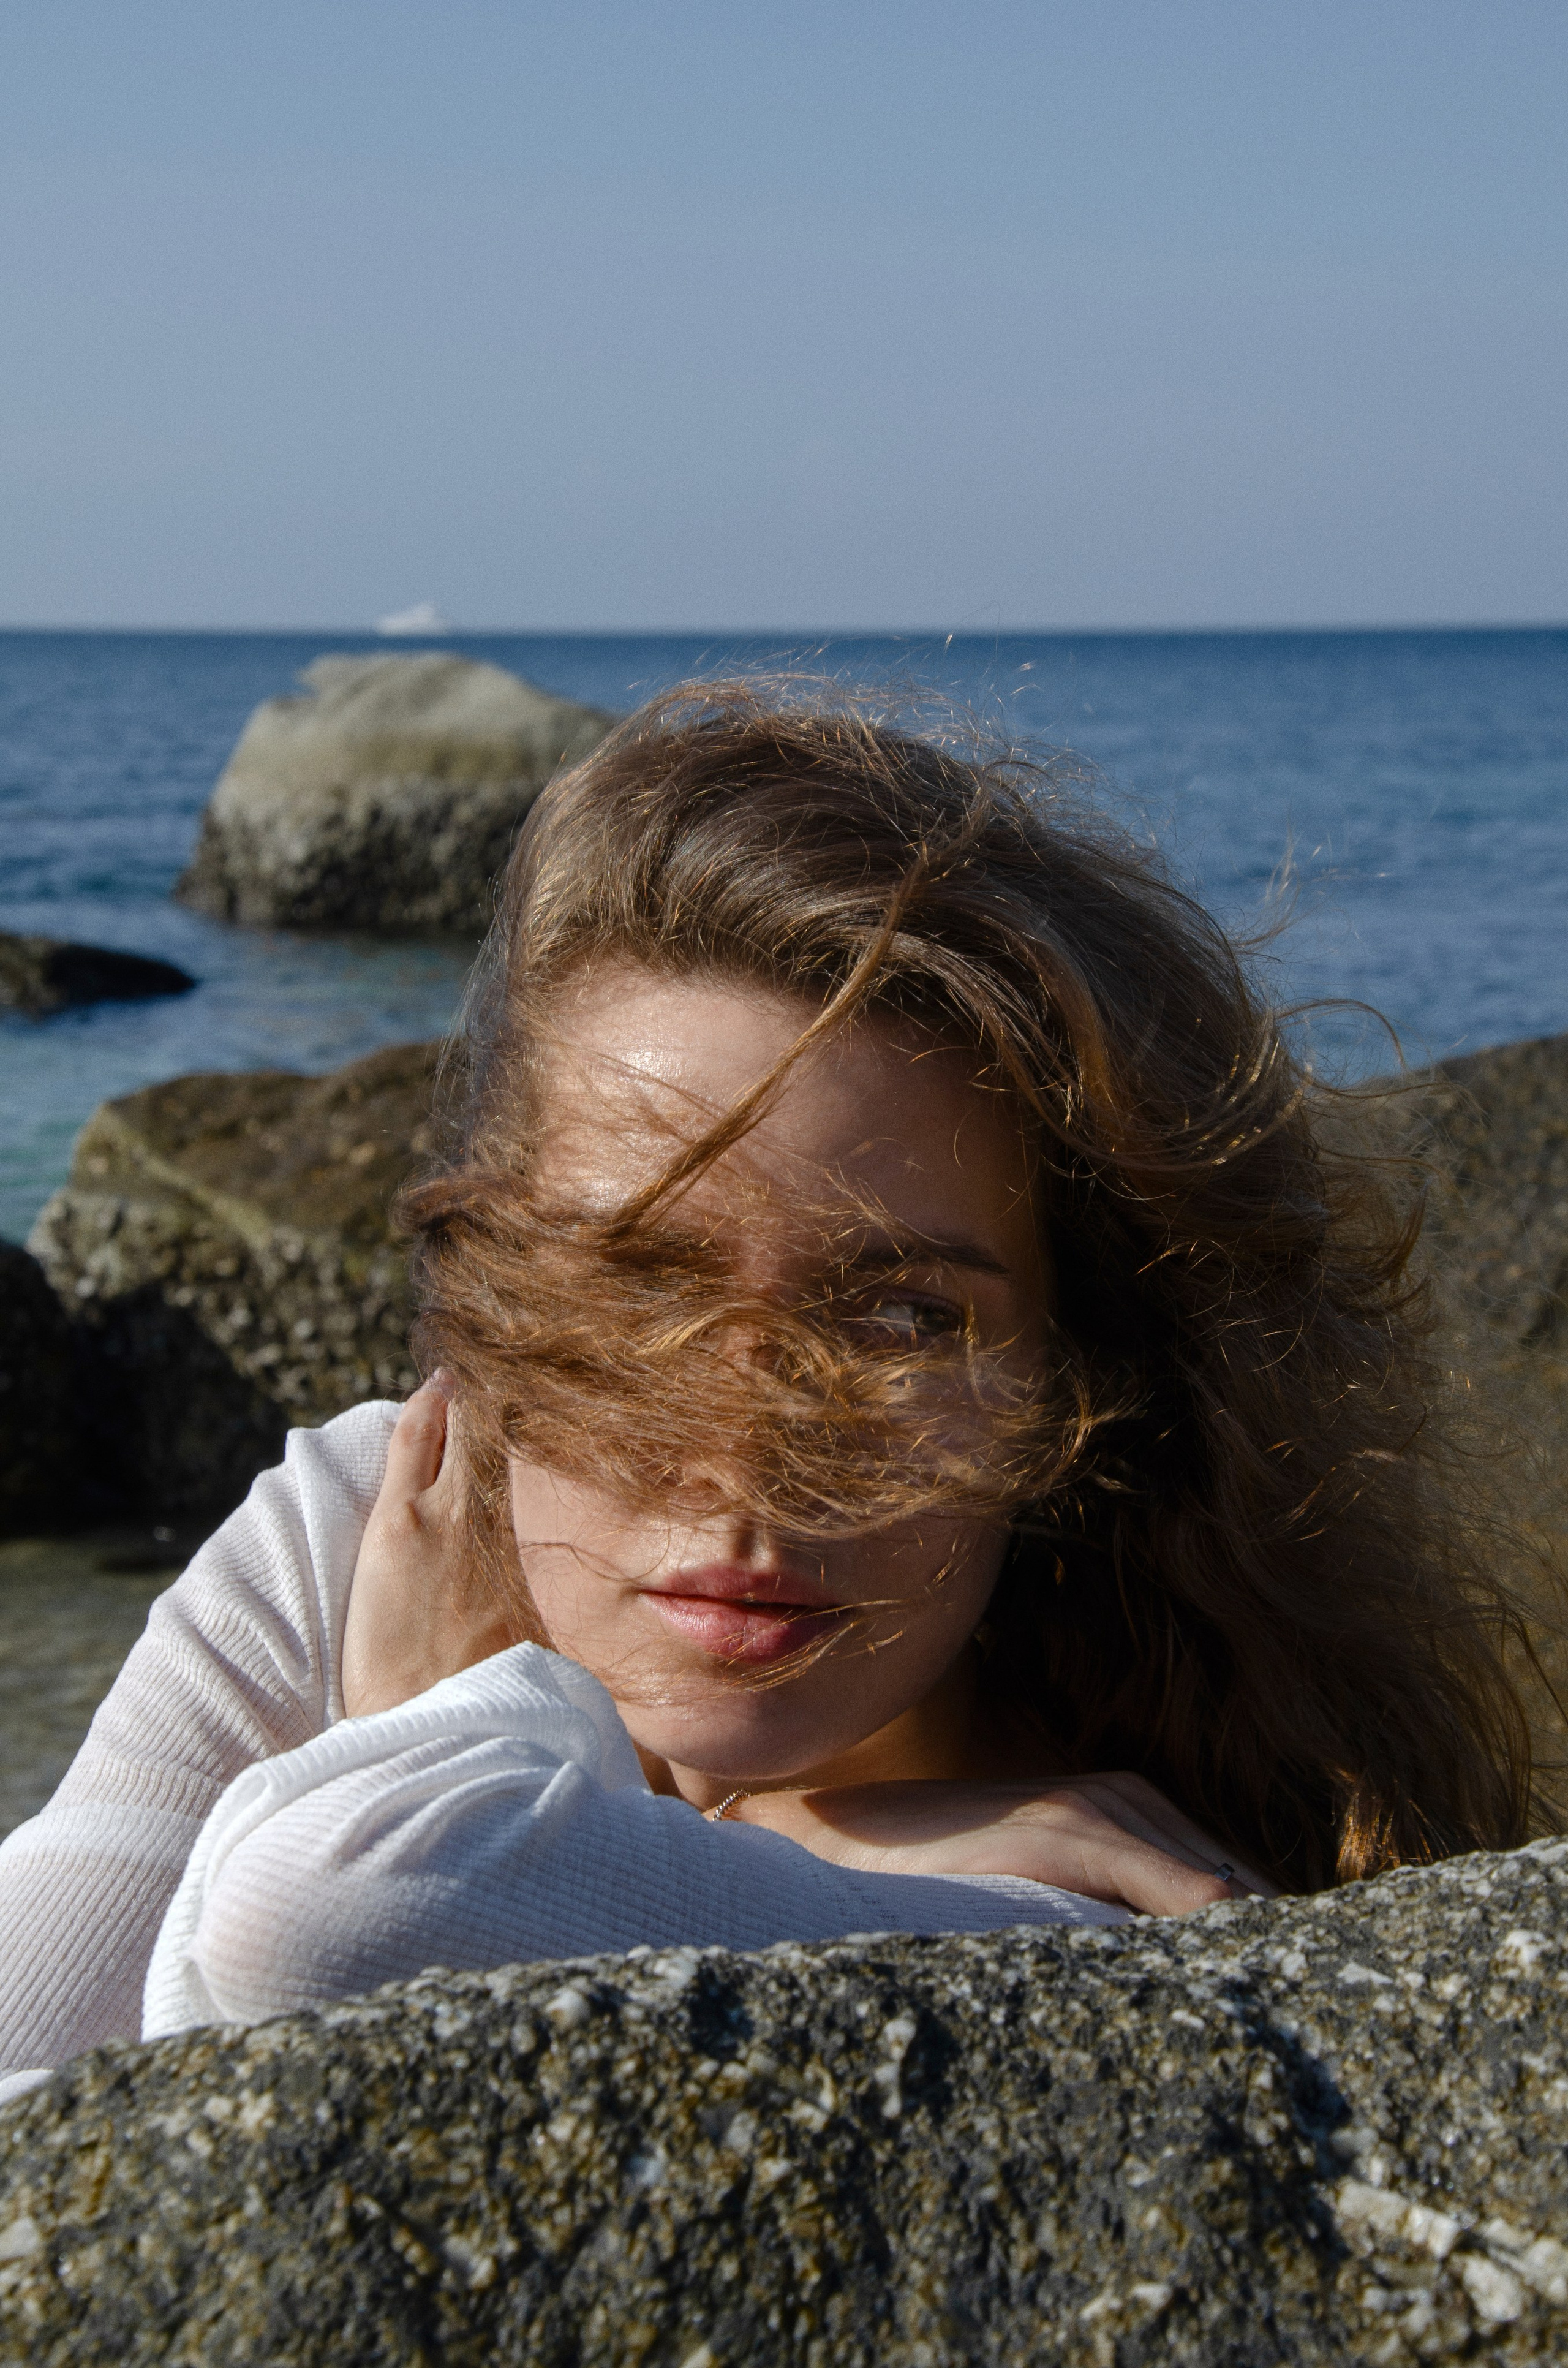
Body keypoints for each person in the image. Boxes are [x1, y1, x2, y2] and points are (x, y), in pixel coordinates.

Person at [0, 682, 1540, 2097]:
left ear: (1086, 1377)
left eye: (897, 1316)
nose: (741, 1468)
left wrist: (437, 1743)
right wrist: (827, 1865)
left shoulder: (1115, 1847)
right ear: (485, 1297)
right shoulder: (365, 1518)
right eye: (643, 1284)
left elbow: (336, 1903)